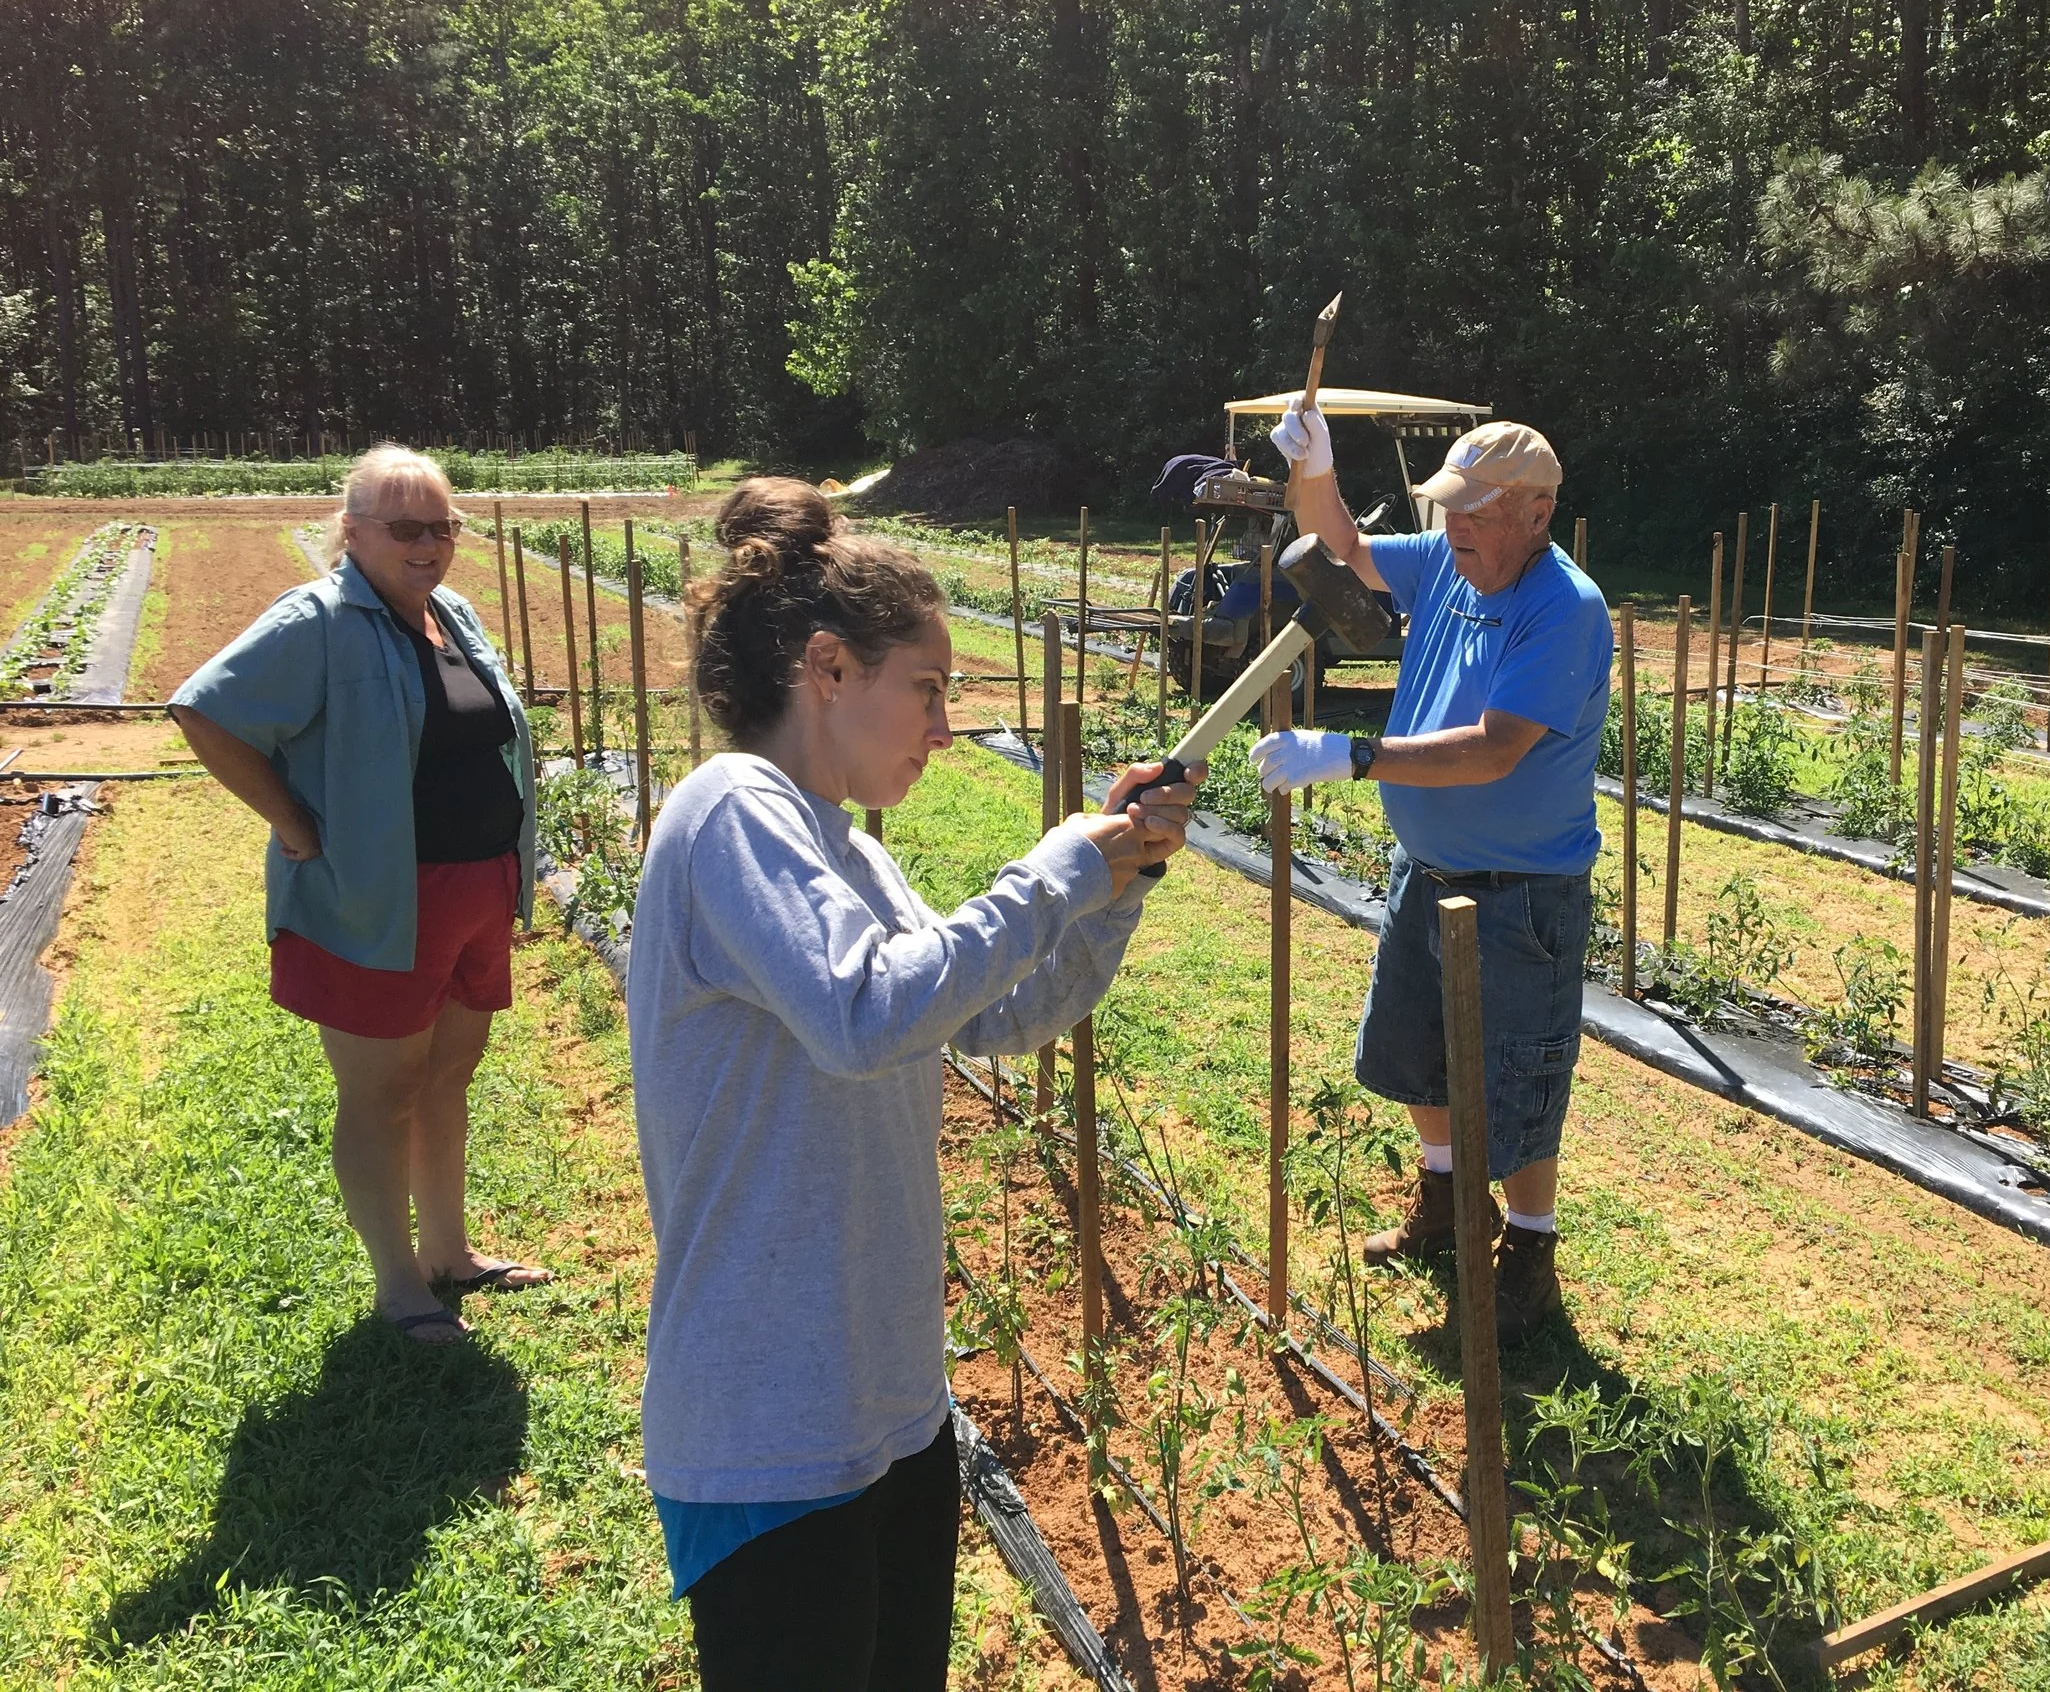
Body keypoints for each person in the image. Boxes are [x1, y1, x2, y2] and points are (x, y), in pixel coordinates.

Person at [626, 478, 1199, 1689]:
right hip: (770, 1429)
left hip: (886, 1405)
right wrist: (1048, 875)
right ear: (826, 668)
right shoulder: (732, 807)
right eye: (928, 691)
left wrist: (1117, 882)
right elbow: (863, 1011)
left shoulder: (841, 845)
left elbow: (995, 1013)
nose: (942, 729)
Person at [170, 445, 548, 1346]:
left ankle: (452, 1254)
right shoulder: (317, 620)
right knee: (383, 1092)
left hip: (474, 890)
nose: (427, 544)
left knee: (448, 1076)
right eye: (404, 527)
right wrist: (295, 824)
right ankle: (398, 1285)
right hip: (378, 900)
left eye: (442, 526)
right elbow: (204, 710)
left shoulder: (448, 613)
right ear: (353, 530)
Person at [1252, 414, 1610, 1345]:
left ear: (1536, 514)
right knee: (1410, 1049)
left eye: (1474, 512)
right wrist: (1317, 467)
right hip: (1431, 868)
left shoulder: (1564, 608)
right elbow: (1347, 547)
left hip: (1522, 890)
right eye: (1446, 507)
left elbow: (1495, 750)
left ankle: (1528, 1255)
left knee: (1521, 1085)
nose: (1454, 527)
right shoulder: (1456, 560)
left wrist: (1353, 754)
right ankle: (1448, 1208)